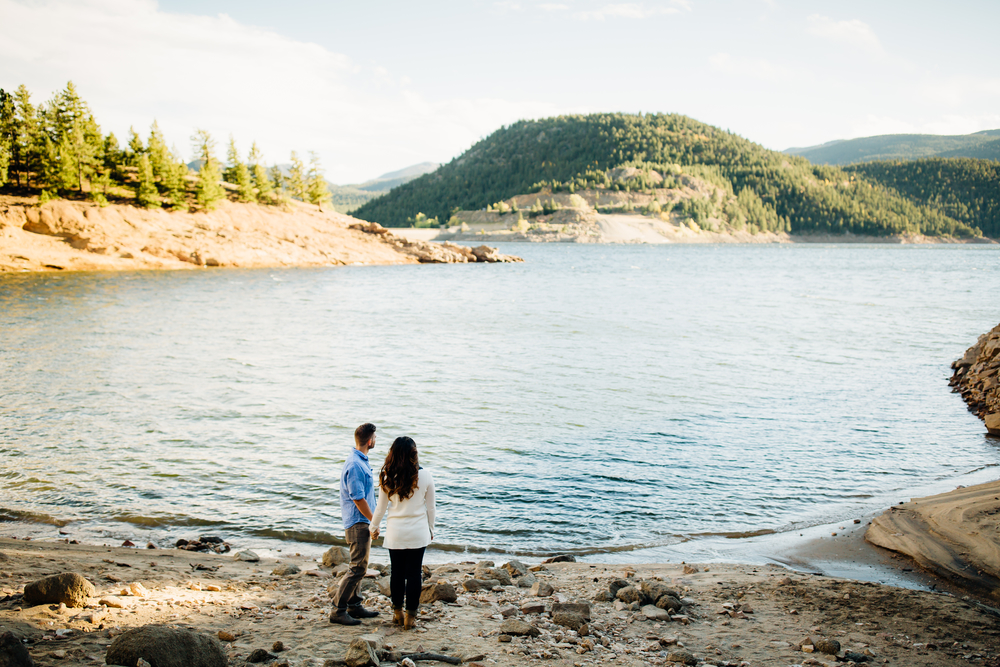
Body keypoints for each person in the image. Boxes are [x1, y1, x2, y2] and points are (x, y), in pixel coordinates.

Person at [370, 436, 436, 630]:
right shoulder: (426, 476)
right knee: (415, 573)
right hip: (418, 532)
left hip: (395, 533)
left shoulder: (387, 476)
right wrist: (431, 528)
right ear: (414, 454)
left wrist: (373, 527)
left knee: (397, 573)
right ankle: (410, 617)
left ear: (393, 453)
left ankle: (397, 612)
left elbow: (380, 509)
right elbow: (431, 509)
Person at [330, 422, 381, 625]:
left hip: (361, 521)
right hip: (358, 522)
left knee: (360, 565)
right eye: (375, 438)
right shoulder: (355, 464)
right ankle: (338, 610)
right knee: (358, 567)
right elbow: (358, 498)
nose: (376, 441)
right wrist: (373, 521)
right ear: (370, 441)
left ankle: (354, 605)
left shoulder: (360, 460)